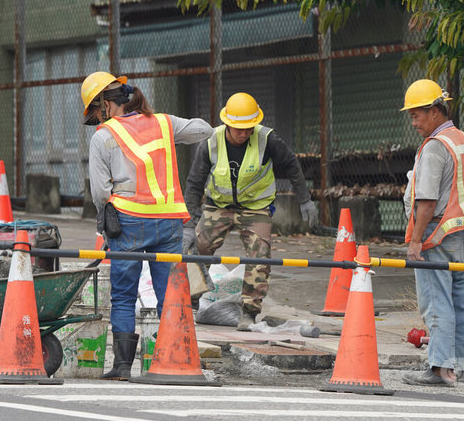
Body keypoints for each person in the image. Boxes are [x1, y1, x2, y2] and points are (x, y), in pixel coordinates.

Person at [81, 71, 212, 380]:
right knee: (170, 293)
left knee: (124, 295)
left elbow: (100, 192)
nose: (98, 118)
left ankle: (123, 367)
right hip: (169, 222)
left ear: (105, 104)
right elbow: (204, 130)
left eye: (97, 112)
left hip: (128, 222)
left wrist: (106, 218)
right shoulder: (164, 124)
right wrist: (169, 131)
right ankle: (174, 358)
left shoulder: (103, 136)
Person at [183, 92, 318, 331]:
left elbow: (292, 166)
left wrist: (305, 199)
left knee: (259, 254)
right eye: (239, 129)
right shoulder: (210, 142)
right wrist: (188, 221)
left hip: (256, 208)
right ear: (227, 124)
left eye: (249, 128)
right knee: (196, 249)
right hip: (219, 206)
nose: (244, 133)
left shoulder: (268, 140)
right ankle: (191, 300)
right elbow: (195, 182)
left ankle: (249, 313)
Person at [399, 79, 464, 387]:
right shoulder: (461, 139)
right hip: (461, 233)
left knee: (437, 303)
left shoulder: (435, 147)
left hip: (436, 234)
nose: (413, 121)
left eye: (417, 114)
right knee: (462, 303)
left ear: (434, 111)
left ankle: (439, 368)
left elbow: (427, 200)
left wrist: (416, 240)